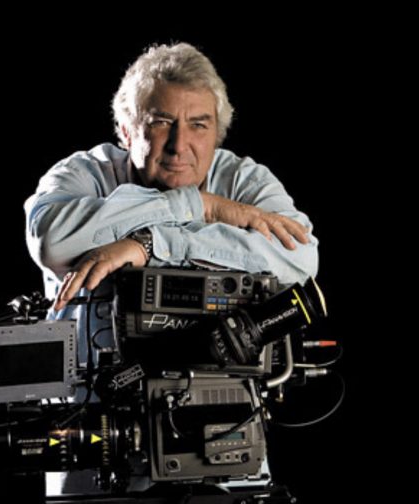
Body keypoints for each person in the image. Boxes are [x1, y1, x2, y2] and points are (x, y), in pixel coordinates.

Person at [24, 42, 318, 494]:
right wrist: (196, 205)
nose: (180, 145)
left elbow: (300, 259)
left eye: (198, 124)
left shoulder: (244, 182)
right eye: (161, 122)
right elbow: (52, 241)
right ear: (126, 130)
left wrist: (151, 244)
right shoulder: (84, 175)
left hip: (223, 440)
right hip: (98, 444)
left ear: (217, 132)